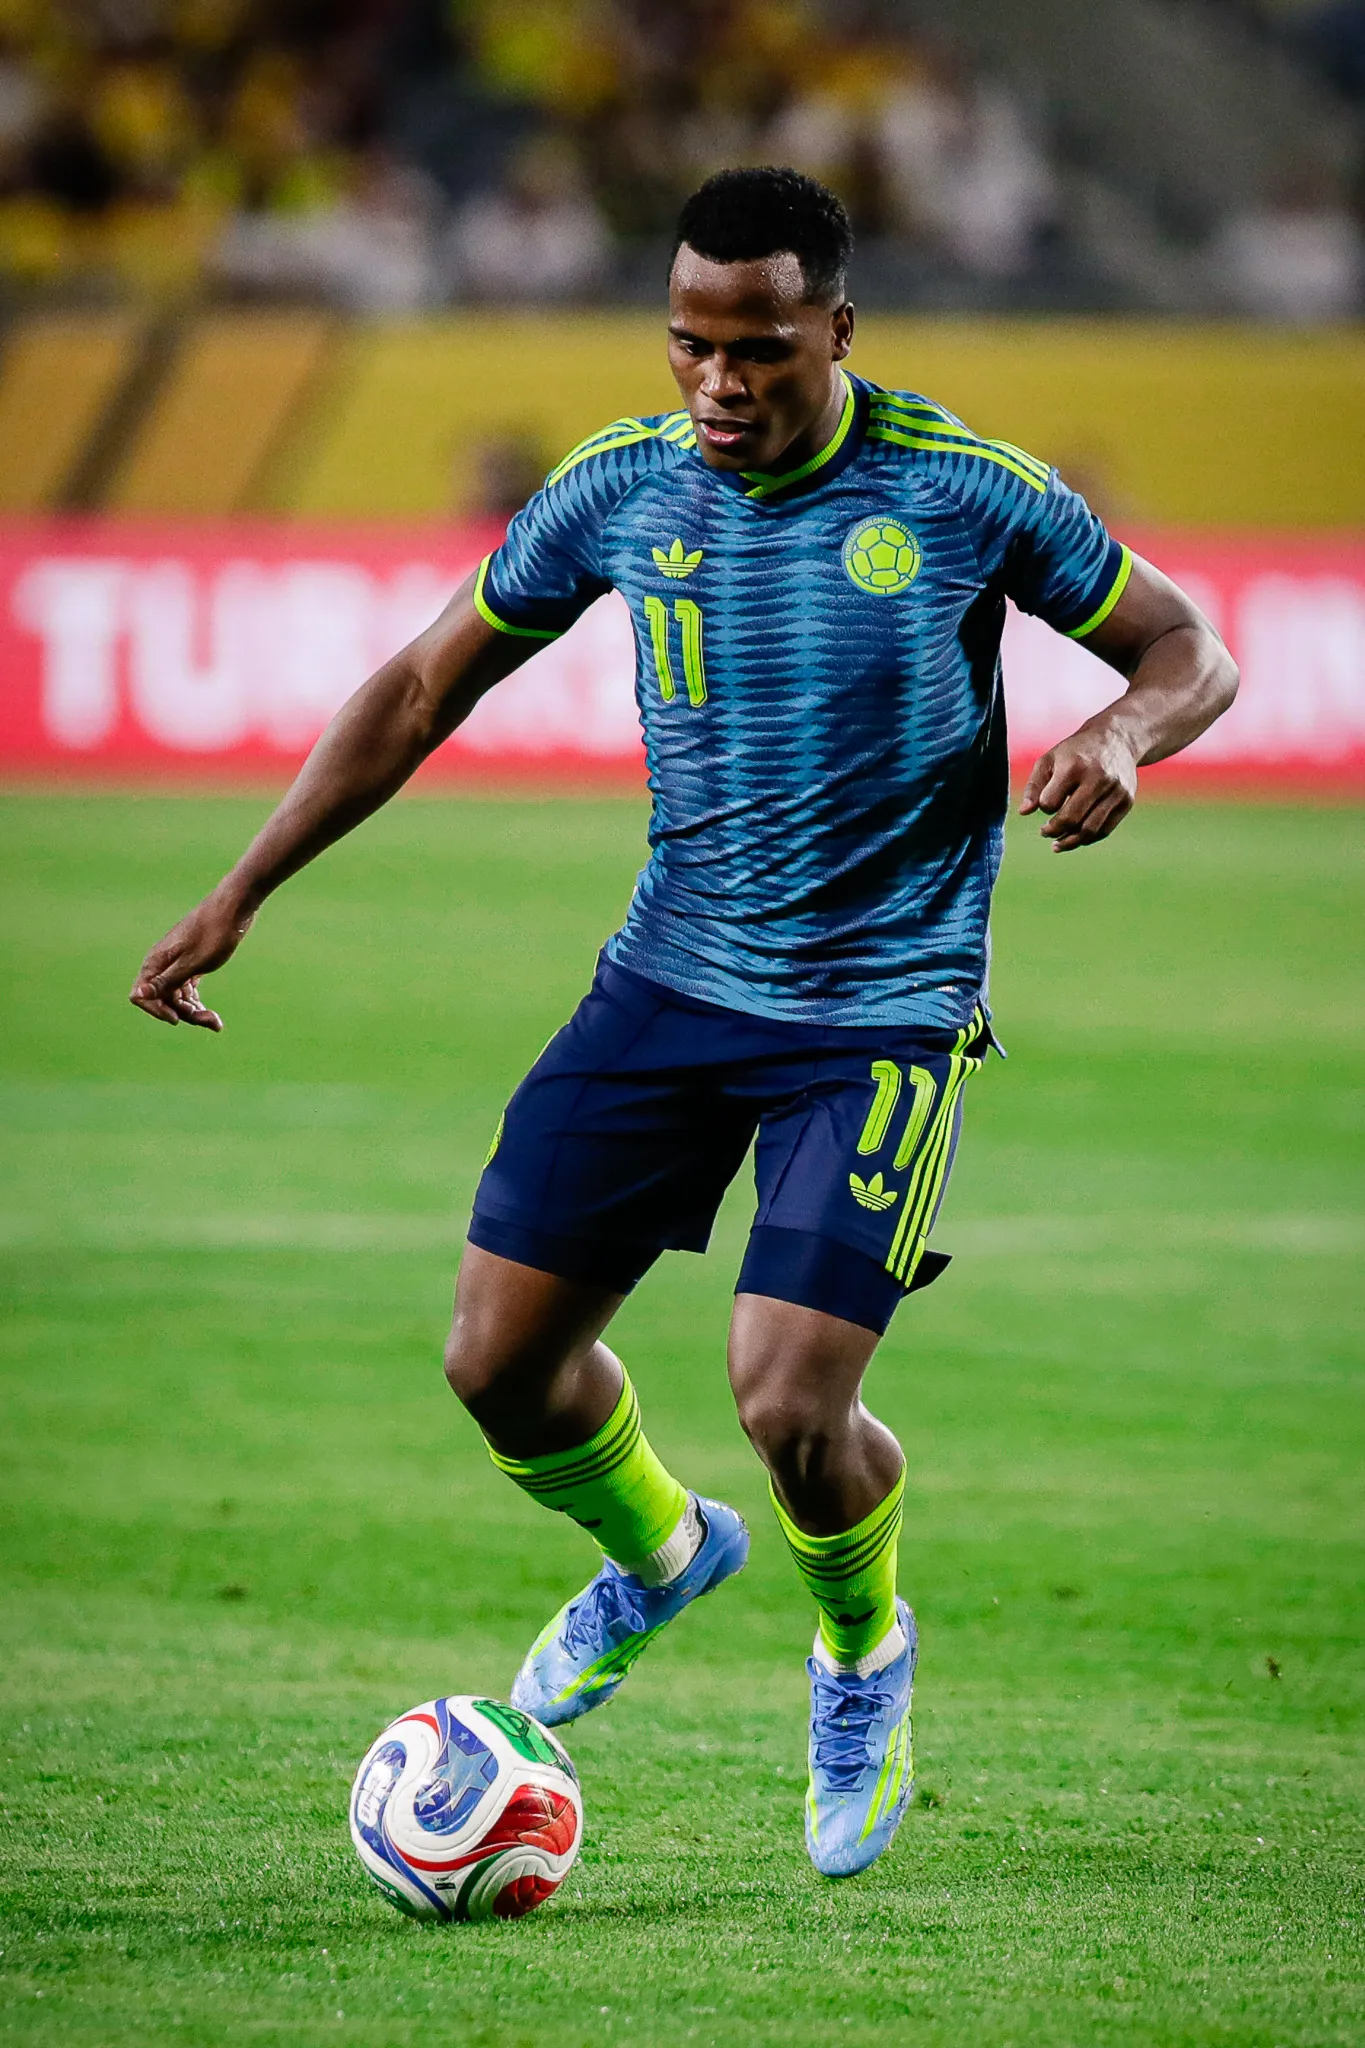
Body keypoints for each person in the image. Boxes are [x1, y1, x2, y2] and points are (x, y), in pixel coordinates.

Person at [130, 166, 1237, 1880]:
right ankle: (658, 1551)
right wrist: (241, 888)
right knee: (497, 1365)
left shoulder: (959, 491)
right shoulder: (622, 491)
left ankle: (861, 1651)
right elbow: (425, 686)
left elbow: (1190, 648)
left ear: (839, 333)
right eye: (690, 345)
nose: (719, 383)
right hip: (669, 978)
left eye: (761, 349)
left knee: (789, 1396)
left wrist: (1119, 735)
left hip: (881, 1014)